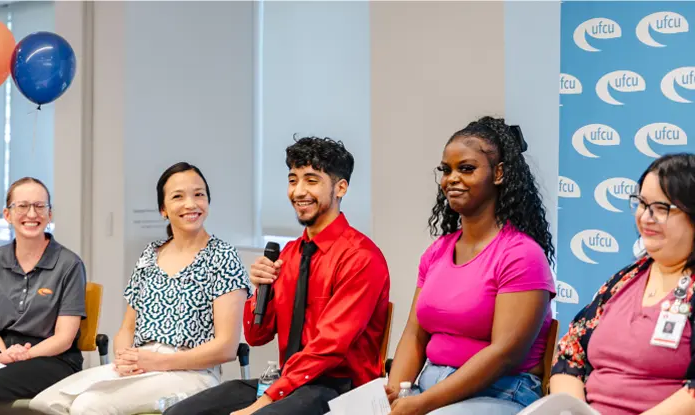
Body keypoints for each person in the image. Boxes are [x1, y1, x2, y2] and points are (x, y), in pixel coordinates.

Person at [164, 137, 391, 415]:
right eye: (293, 180)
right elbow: (257, 335)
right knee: (178, 414)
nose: (298, 191)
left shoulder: (361, 257)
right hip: (290, 381)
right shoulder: (290, 254)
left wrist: (266, 400)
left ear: (340, 187)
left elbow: (328, 348)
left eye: (311, 180)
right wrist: (260, 290)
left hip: (340, 388)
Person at [29, 162, 251, 414]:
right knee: (42, 405)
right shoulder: (149, 255)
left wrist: (161, 362)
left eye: (199, 194)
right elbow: (127, 328)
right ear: (163, 210)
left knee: (88, 405)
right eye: (178, 196)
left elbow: (226, 347)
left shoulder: (223, 257)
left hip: (191, 372)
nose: (191, 204)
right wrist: (126, 358)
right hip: (143, 364)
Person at [386, 117, 557, 415]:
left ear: (499, 173)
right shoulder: (436, 252)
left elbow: (504, 354)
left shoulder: (522, 255)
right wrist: (394, 393)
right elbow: (414, 334)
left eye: (466, 168)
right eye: (446, 170)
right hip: (429, 389)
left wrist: (421, 405)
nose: (452, 178)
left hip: (502, 393)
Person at [548, 153, 695, 415]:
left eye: (662, 208)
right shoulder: (624, 280)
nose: (646, 217)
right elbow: (569, 356)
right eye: (642, 203)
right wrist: (574, 410)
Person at [0, 177, 87, 410]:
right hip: (4, 352)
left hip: (54, 359)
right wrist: (2, 354)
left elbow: (64, 338)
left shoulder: (69, 264)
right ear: (7, 215)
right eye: (22, 206)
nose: (32, 214)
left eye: (40, 206)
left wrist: (20, 356)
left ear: (50, 214)